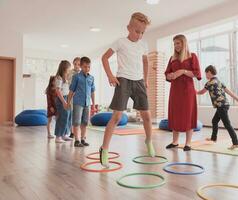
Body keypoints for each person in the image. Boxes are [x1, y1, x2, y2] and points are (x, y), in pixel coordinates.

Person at [99, 12, 155, 167]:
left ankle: (149, 141)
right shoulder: (120, 42)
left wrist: (146, 79)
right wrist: (110, 76)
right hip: (123, 80)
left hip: (139, 82)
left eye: (142, 32)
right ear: (129, 28)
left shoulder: (143, 45)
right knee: (116, 117)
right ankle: (104, 149)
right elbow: (104, 58)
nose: (139, 35)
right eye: (137, 31)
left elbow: (145, 62)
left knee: (147, 116)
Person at [164, 34, 201, 151]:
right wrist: (169, 75)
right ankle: (175, 142)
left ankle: (188, 143)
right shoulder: (172, 58)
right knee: (175, 114)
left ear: (184, 43)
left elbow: (196, 73)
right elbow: (167, 74)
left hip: (188, 91)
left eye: (178, 43)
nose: (176, 46)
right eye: (174, 44)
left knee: (188, 114)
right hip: (175, 91)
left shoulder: (192, 56)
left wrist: (182, 71)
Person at [197, 65, 238, 150]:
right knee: (214, 121)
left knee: (227, 124)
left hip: (221, 106)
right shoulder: (219, 81)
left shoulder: (209, 83)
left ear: (209, 72)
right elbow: (229, 92)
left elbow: (201, 92)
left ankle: (236, 143)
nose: (206, 76)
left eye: (206, 73)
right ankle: (213, 138)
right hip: (225, 105)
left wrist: (194, 91)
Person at [67, 57, 95, 147]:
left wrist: (93, 104)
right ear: (81, 66)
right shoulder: (76, 77)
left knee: (85, 122)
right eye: (85, 67)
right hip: (78, 102)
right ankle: (77, 140)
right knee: (76, 122)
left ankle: (83, 139)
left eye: (89, 67)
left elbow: (92, 91)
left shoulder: (91, 78)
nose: (87, 68)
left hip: (87, 103)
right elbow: (71, 91)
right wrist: (68, 103)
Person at [54, 60, 72, 143]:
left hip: (66, 98)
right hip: (61, 99)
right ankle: (58, 136)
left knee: (67, 117)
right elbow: (58, 91)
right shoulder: (58, 78)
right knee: (62, 117)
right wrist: (64, 102)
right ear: (64, 68)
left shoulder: (65, 78)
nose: (69, 70)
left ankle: (64, 134)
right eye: (69, 68)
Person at [67, 57, 81, 138]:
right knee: (72, 114)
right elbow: (69, 83)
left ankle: (78, 132)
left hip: (80, 97)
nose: (76, 66)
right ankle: (72, 132)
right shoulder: (70, 73)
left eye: (78, 64)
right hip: (72, 96)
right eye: (75, 64)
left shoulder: (82, 73)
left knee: (79, 115)